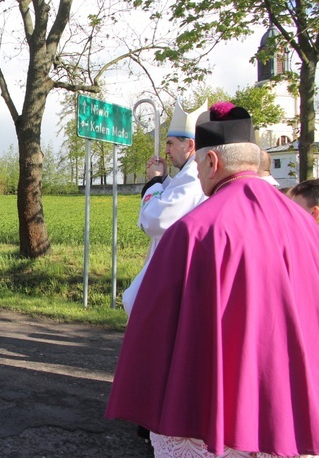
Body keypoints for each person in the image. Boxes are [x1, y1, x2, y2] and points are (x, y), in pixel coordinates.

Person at [106, 102, 319, 457]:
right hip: (289, 397)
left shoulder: (196, 231)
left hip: (220, 398)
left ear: (211, 162)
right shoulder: (305, 226)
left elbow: (158, 321)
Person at [122, 100, 208, 316]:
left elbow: (157, 219)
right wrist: (164, 179)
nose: (167, 150)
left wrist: (155, 181)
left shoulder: (194, 175)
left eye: (170, 144)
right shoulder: (189, 174)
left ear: (190, 145)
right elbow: (174, 199)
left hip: (178, 266)